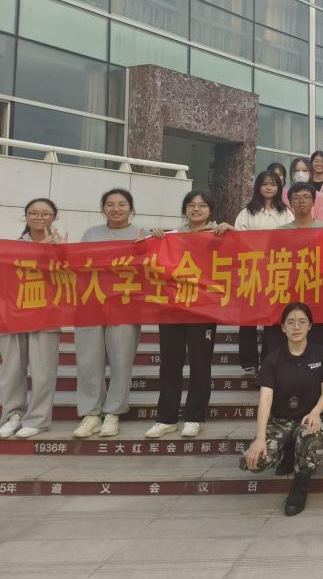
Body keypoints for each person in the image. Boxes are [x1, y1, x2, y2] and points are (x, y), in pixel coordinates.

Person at [144, 190, 232, 440]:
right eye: (191, 205)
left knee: (200, 364)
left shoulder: (219, 234)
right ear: (184, 209)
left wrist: (233, 233)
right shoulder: (172, 236)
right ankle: (166, 419)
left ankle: (194, 417)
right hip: (172, 308)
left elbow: (242, 254)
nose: (196, 209)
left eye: (202, 205)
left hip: (203, 309)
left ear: (210, 210)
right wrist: (152, 237)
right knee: (169, 364)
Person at [240, 303, 323, 516]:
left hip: (309, 418)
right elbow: (265, 399)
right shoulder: (272, 359)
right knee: (253, 462)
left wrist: (316, 412)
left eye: (301, 322)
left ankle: (300, 486)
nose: (296, 327)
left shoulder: (321, 355)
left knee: (312, 434)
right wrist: (260, 437)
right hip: (280, 420)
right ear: (282, 327)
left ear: (310, 325)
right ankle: (286, 450)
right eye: (290, 322)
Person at [72, 189, 145, 439]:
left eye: (122, 204)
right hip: (91, 305)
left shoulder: (142, 234)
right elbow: (77, 266)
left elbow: (154, 268)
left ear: (131, 208)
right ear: (103, 208)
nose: (116, 209)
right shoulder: (91, 234)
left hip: (125, 306)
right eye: (110, 204)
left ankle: (113, 412)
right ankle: (91, 414)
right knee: (88, 361)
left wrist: (153, 242)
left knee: (120, 360)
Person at [0, 199, 64, 439]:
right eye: (33, 213)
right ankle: (12, 415)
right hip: (12, 316)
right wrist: (37, 252)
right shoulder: (10, 248)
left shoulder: (63, 247)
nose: (39, 217)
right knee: (12, 370)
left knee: (43, 371)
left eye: (46, 213)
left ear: (54, 217)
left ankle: (38, 419)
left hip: (46, 316)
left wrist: (58, 253)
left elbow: (68, 281)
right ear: (26, 216)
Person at [234, 172, 294, 376]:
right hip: (251, 270)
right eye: (265, 184)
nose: (269, 188)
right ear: (258, 187)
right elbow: (238, 239)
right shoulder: (246, 212)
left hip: (277, 271)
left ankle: (270, 360)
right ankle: (249, 362)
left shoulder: (286, 213)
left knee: (273, 318)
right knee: (248, 318)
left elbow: (293, 239)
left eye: (273, 184)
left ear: (279, 187)